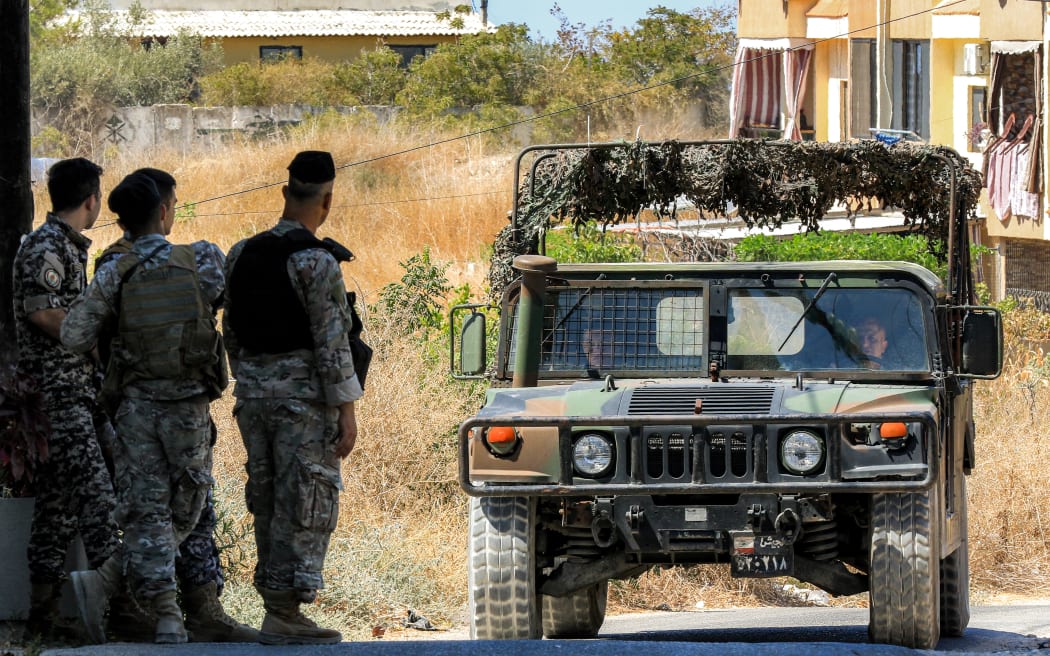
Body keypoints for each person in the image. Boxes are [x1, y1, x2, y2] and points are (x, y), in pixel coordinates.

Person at [61, 172, 229, 644]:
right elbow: (225, 304)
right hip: (188, 409)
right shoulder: (203, 260)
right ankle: (153, 604)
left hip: (134, 408)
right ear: (163, 210)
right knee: (189, 504)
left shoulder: (115, 270)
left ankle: (156, 608)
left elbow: (75, 334)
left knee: (149, 509)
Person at [223, 150, 361, 645]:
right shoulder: (315, 260)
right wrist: (346, 410)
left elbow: (231, 333)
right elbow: (331, 343)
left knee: (267, 497)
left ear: (285, 193)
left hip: (253, 397)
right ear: (327, 199)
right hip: (302, 402)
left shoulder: (240, 252)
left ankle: (275, 606)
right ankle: (285, 612)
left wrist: (251, 380)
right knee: (307, 499)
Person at [11, 157, 121, 640]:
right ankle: (122, 611)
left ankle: (43, 615)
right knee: (98, 501)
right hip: (60, 394)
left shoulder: (65, 247)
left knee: (57, 508)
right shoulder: (47, 246)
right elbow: (44, 314)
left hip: (75, 392)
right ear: (92, 198)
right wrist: (94, 341)